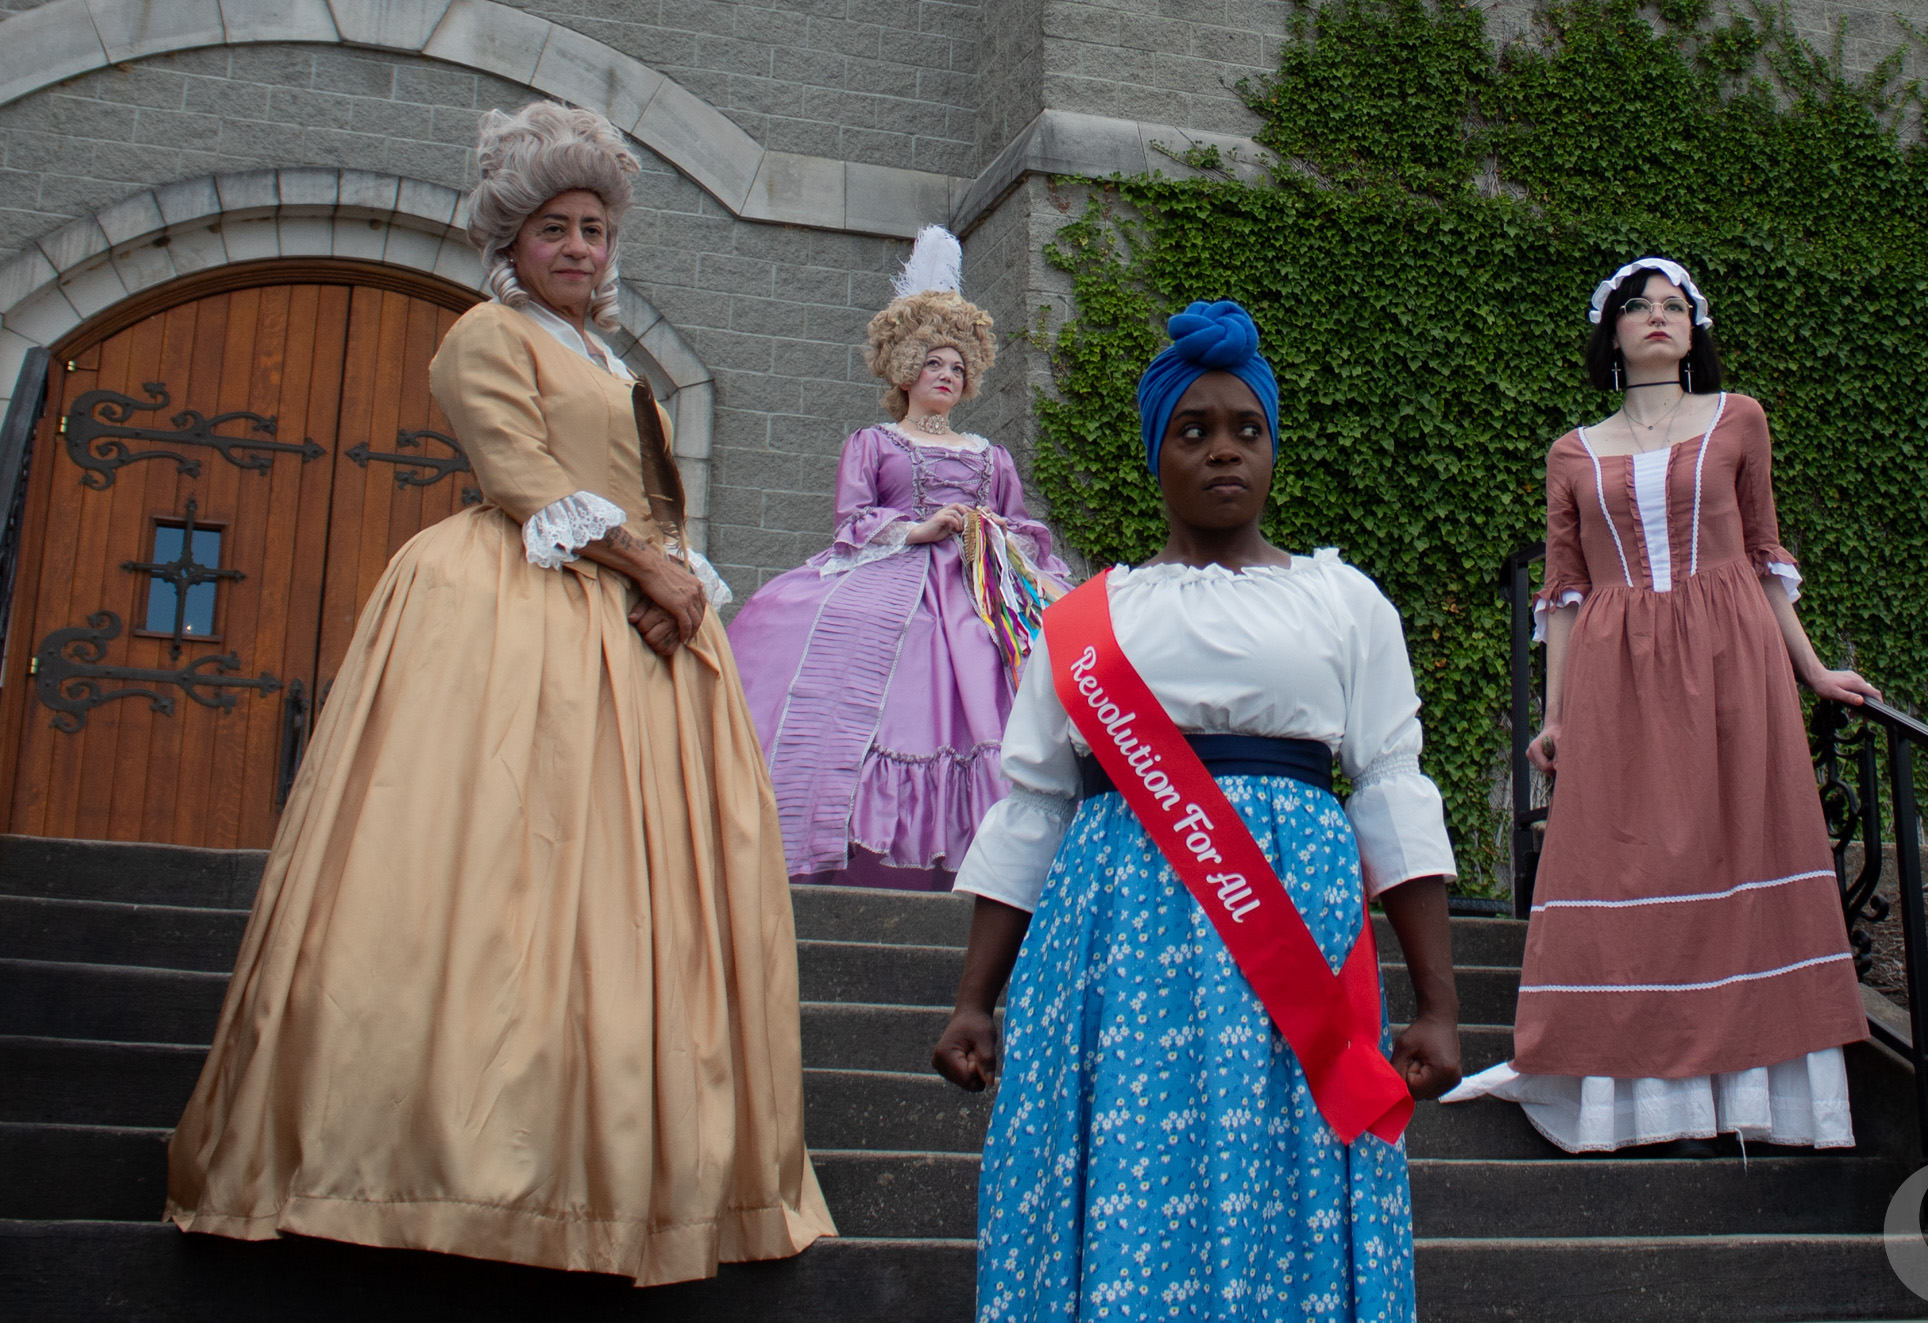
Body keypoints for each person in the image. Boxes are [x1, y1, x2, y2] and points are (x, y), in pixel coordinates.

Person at [164, 101, 834, 1284]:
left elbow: (649, 491)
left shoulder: (613, 362)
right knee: (490, 855)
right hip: (512, 606)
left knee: (622, 889)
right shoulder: (487, 336)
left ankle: (614, 1162)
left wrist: (665, 578)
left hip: (628, 628)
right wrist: (642, 565)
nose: (578, 249)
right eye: (554, 231)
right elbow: (523, 476)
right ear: (511, 245)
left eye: (593, 230)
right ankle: (409, 1160)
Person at [931, 300, 1462, 1320]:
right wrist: (972, 999)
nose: (1223, 451)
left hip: (1292, 946)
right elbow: (1033, 810)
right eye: (1193, 431)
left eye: (1245, 430)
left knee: (1289, 1162)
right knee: (1120, 1155)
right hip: (1112, 947)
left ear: (1271, 450)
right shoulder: (1089, 619)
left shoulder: (1343, 603)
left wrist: (1437, 1005)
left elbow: (1393, 790)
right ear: (1155, 455)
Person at [1443, 257, 1878, 1154]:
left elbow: (1763, 557)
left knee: (1733, 849)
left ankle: (1750, 1095)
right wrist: (1557, 716)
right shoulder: (1573, 450)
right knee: (1626, 859)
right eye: (1638, 306)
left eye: (1674, 307)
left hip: (1731, 662)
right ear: (1611, 331)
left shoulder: (1738, 419)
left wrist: (1812, 672)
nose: (1656, 317)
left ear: (1694, 328)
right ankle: (1641, 1104)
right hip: (1617, 674)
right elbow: (1562, 594)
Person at [726, 226, 1069, 892]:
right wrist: (917, 529)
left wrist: (989, 529)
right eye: (936, 364)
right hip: (896, 581)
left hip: (982, 587)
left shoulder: (987, 453)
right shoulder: (875, 443)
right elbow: (851, 520)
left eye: (958, 368)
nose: (947, 376)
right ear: (909, 369)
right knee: (842, 659)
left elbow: (1025, 523)